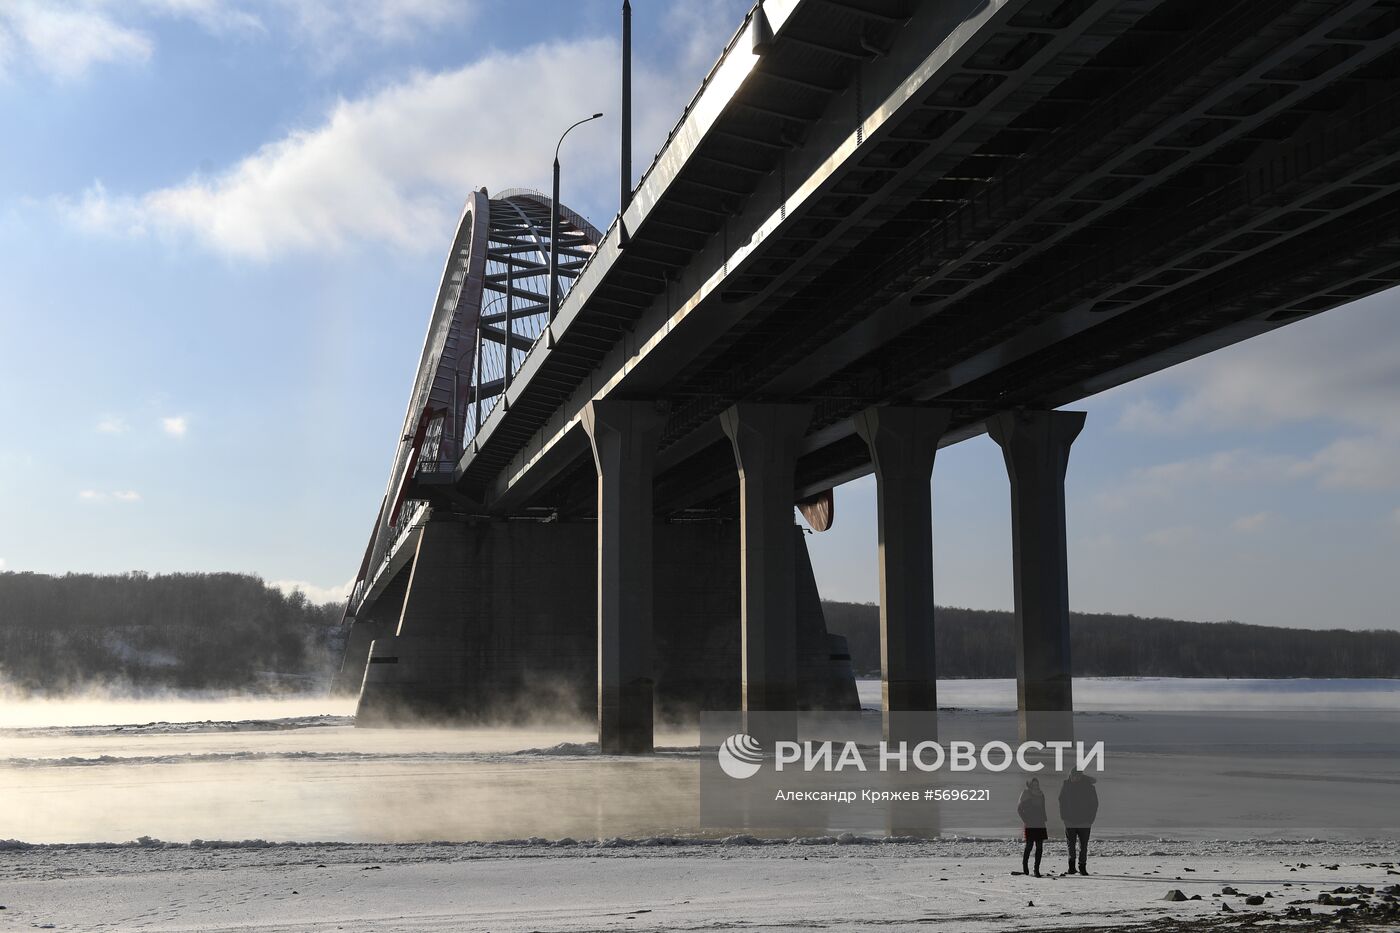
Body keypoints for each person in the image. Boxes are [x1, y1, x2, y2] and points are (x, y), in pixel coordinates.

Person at [1058, 769, 1099, 875]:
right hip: (1069, 821)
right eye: (1073, 776)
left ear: (1081, 776)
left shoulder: (1089, 787)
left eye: (1077, 776)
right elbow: (1061, 801)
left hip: (1085, 822)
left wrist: (1090, 819)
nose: (1075, 778)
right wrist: (1064, 817)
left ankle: (1082, 867)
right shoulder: (1066, 786)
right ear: (1070, 775)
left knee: (1083, 846)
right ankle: (1071, 867)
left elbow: (1094, 804)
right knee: (1070, 845)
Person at [1016, 777, 1048, 876]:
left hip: (1040, 823)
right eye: (1033, 784)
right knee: (1029, 846)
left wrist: (1044, 819)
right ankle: (1025, 865)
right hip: (1030, 823)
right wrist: (1026, 820)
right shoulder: (1026, 794)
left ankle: (1036, 869)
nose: (1036, 786)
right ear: (1030, 785)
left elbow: (1043, 808)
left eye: (1037, 784)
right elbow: (1019, 809)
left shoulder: (1041, 794)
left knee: (1039, 847)